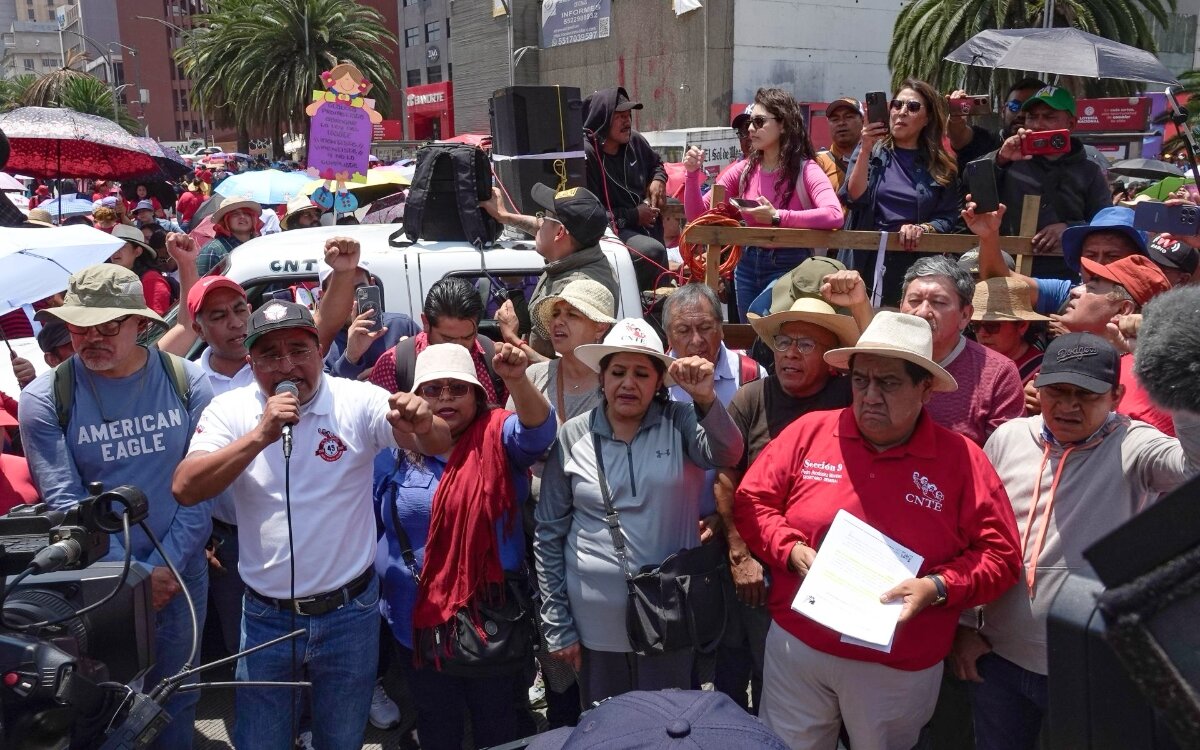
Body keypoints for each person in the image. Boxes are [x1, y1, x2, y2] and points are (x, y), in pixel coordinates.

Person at [732, 311, 1022, 750]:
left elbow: (1000, 557)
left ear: (925, 389)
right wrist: (789, 549)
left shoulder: (962, 460)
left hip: (898, 663)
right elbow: (753, 501)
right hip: (800, 644)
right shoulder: (810, 432)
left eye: (887, 383)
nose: (869, 396)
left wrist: (938, 587)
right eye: (861, 380)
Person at [172, 296, 452, 750]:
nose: (287, 365)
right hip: (266, 616)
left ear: (320, 352)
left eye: (299, 350)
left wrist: (422, 422)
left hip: (350, 612)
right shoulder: (231, 411)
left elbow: (436, 441)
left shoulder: (355, 399)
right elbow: (186, 487)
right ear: (252, 361)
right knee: (261, 740)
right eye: (270, 354)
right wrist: (260, 435)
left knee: (341, 738)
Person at [954, 332, 1200, 750]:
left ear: (1116, 396)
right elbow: (975, 533)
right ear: (1037, 388)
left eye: (1085, 395)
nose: (1068, 406)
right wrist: (963, 628)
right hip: (996, 659)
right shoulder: (1008, 438)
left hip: (1092, 668)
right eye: (1057, 392)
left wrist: (1181, 390)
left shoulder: (1135, 445)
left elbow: (1193, 468)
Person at [19, 265, 215, 750]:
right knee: (108, 708)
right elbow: (66, 503)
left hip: (181, 568)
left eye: (109, 326)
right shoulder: (45, 399)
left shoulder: (189, 382)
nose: (93, 339)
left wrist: (165, 569)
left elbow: (204, 487)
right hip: (100, 584)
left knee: (179, 695)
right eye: (82, 327)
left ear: (140, 324)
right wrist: (132, 579)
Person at [535, 318, 744, 705]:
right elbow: (548, 533)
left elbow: (729, 452)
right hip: (594, 623)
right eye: (617, 372)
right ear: (602, 378)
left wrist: (705, 399)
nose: (628, 383)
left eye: (641, 373)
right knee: (607, 728)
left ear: (658, 382)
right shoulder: (573, 435)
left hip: (671, 616)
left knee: (670, 721)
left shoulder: (680, 421)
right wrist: (558, 624)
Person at [374, 341, 555, 750]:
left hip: (490, 619)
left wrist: (517, 379)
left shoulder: (499, 436)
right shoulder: (393, 451)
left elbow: (540, 430)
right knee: (438, 724)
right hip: (414, 621)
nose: (445, 398)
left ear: (477, 395)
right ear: (416, 398)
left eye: (457, 388)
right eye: (432, 389)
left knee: (497, 724)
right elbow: (370, 523)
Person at [712, 283, 861, 715]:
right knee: (755, 675)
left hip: (830, 570)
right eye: (782, 341)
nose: (790, 353)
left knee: (819, 692)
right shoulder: (752, 398)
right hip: (760, 571)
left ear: (832, 359)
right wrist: (740, 553)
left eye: (805, 344)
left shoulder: (849, 399)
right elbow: (726, 476)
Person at [683, 87, 844, 322]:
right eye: (750, 122)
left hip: (791, 263)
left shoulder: (806, 169)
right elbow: (698, 215)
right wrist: (691, 174)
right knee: (752, 340)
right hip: (747, 264)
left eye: (759, 122)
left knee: (769, 333)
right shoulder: (744, 170)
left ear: (783, 125)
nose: (750, 129)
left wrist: (777, 216)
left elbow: (834, 215)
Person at [843, 79, 962, 306]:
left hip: (915, 264)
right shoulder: (871, 149)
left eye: (913, 107)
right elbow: (854, 197)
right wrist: (866, 147)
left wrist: (923, 228)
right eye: (896, 105)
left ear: (927, 118)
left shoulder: (942, 166)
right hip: (866, 258)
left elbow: (947, 217)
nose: (901, 112)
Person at [186, 275, 255, 659]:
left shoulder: (276, 366)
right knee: (244, 645)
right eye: (219, 315)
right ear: (198, 327)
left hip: (289, 528)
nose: (235, 322)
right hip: (225, 540)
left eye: (240, 309)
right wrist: (201, 535)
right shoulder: (185, 382)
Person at [483, 183, 618, 358]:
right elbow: (545, 230)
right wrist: (505, 216)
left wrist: (511, 337)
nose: (539, 222)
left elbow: (565, 370)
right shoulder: (580, 248)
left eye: (544, 218)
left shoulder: (575, 292)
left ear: (560, 233)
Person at [899, 255, 1024, 446]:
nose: (923, 312)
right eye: (914, 300)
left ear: (965, 315)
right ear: (900, 307)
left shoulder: (998, 372)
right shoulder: (881, 357)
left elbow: (1004, 454)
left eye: (939, 302)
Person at [991, 86, 1111, 260]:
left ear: (1071, 124)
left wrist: (1071, 228)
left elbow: (1106, 221)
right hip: (1010, 267)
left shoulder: (1090, 171)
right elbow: (970, 183)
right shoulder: (1010, 158)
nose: (1038, 125)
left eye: (1049, 117)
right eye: (1032, 117)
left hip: (1066, 269)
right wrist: (999, 158)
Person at [582, 87, 670, 292]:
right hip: (610, 233)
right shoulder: (587, 155)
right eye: (619, 116)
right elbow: (590, 215)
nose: (627, 121)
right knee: (651, 251)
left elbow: (656, 163)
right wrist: (633, 216)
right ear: (602, 119)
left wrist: (658, 179)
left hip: (646, 227)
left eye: (628, 115)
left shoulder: (636, 141)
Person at [370, 277, 509, 405]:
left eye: (467, 337)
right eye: (448, 339)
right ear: (426, 323)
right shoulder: (394, 365)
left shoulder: (492, 357)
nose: (458, 347)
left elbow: (515, 423)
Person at [520, 279, 615, 423]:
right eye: (555, 314)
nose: (558, 322)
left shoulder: (615, 384)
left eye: (572, 314)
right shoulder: (534, 376)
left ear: (600, 327)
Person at [316, 258, 420, 381]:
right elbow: (324, 394)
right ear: (323, 296)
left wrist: (399, 368)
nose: (353, 300)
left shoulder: (402, 326)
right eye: (342, 292)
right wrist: (350, 357)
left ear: (372, 284)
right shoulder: (321, 344)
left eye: (360, 291)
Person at [947, 78, 1046, 170]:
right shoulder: (984, 140)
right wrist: (956, 118)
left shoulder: (1052, 151)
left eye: (1030, 109)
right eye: (1014, 106)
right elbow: (958, 136)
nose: (1021, 114)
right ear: (1003, 111)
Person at [969, 277, 1048, 385]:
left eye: (992, 326)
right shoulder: (967, 363)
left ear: (1022, 326)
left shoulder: (1044, 373)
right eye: (976, 326)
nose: (982, 333)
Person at [108, 224, 173, 316]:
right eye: (113, 246)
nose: (115, 251)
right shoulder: (111, 277)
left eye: (122, 246)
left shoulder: (151, 280)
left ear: (138, 251)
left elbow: (157, 324)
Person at [197, 196, 262, 276]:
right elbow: (202, 285)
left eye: (246, 213)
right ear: (225, 221)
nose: (242, 217)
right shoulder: (212, 250)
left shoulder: (261, 245)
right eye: (235, 214)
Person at [816, 97, 865, 193]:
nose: (841, 123)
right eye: (835, 119)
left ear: (862, 120)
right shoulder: (817, 164)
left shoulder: (877, 159)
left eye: (849, 117)